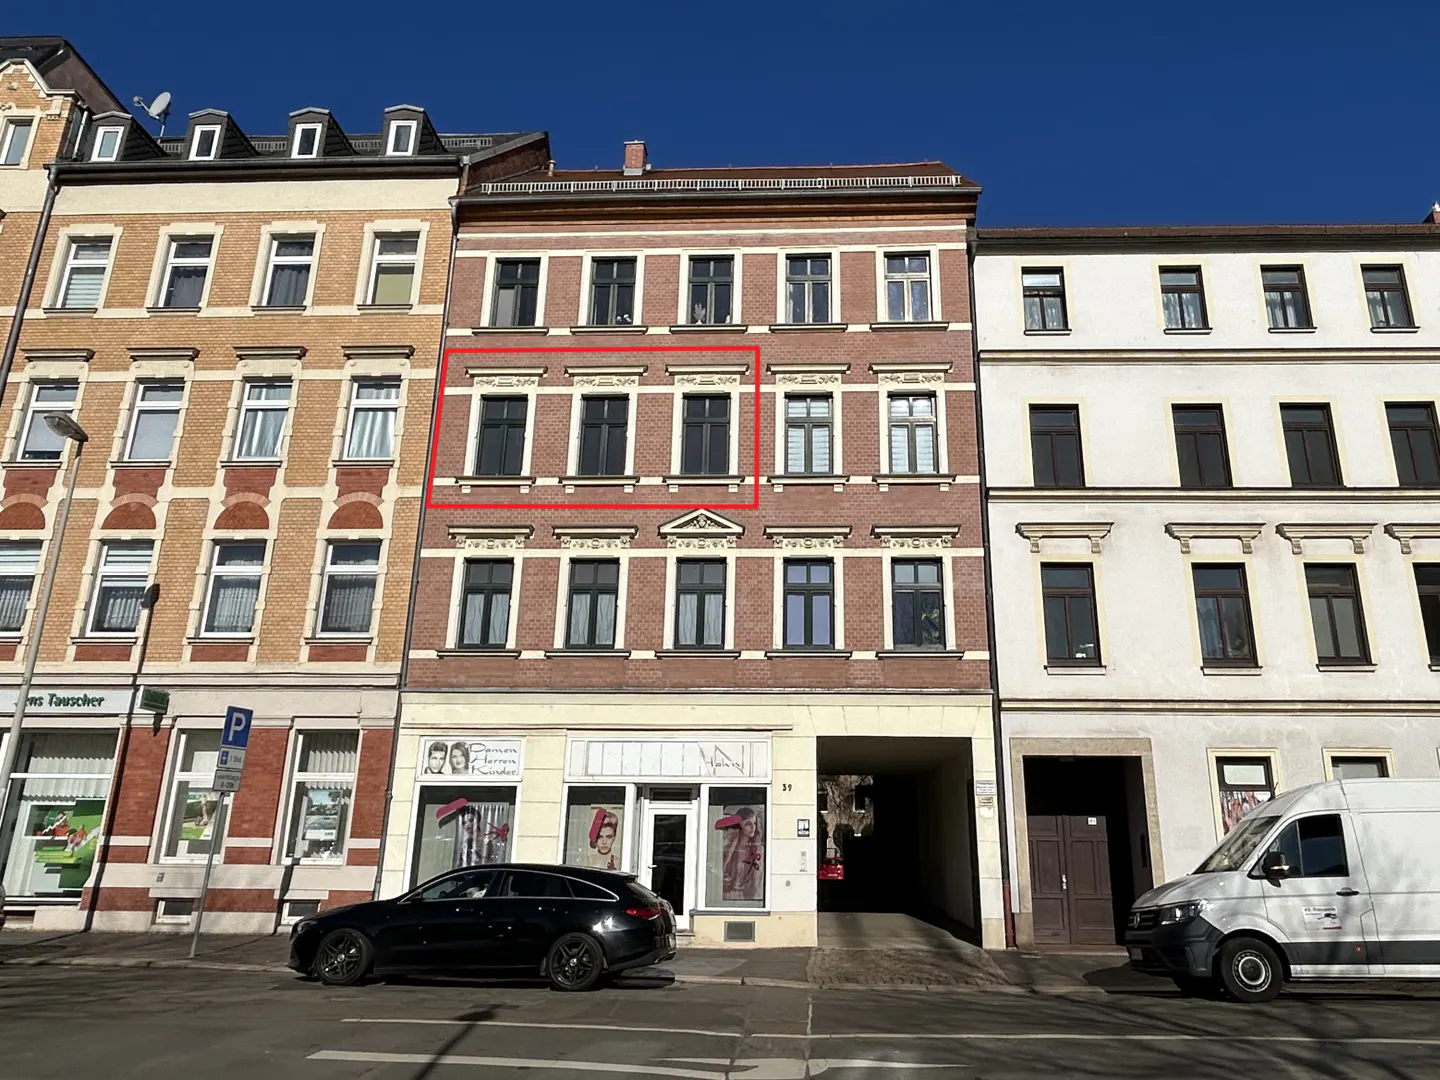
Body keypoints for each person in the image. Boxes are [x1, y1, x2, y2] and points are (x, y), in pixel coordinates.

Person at [715, 806, 764, 901]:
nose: (753, 828)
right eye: (748, 824)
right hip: (726, 896)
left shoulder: (758, 850)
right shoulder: (729, 850)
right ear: (740, 826)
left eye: (754, 823)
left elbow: (758, 880)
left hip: (748, 898)